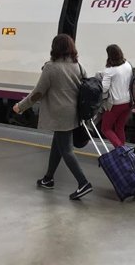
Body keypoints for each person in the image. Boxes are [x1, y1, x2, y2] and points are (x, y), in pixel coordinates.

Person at [12, 34, 92, 201]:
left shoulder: (51, 68)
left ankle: (83, 183)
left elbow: (38, 93)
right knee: (58, 145)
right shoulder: (78, 66)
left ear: (55, 48)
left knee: (67, 150)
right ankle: (48, 178)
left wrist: (21, 106)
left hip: (60, 114)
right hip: (74, 113)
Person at [101, 44, 133, 148]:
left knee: (105, 129)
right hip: (128, 103)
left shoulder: (110, 70)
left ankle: (121, 151)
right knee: (119, 127)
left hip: (116, 104)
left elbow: (104, 89)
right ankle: (122, 154)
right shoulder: (128, 65)